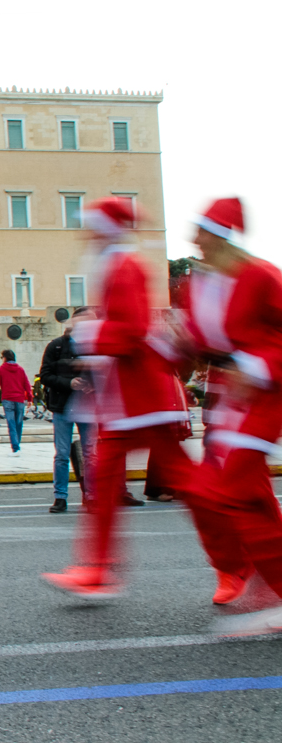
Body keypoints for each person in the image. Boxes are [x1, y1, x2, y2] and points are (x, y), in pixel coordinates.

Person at [41, 198, 232, 601]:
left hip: (140, 398)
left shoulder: (123, 265)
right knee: (109, 485)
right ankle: (97, 570)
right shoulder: (114, 261)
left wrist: (91, 336)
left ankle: (236, 559)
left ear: (107, 227)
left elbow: (132, 330)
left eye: (92, 224)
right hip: (126, 399)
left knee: (188, 487)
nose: (86, 231)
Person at [175, 198, 282, 633]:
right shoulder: (201, 284)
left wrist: (255, 367)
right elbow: (197, 342)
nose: (193, 239)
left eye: (201, 230)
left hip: (265, 395)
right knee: (231, 495)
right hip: (227, 397)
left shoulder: (262, 276)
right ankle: (248, 573)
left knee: (230, 489)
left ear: (221, 235)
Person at [39, 308, 97, 513]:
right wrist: (69, 383)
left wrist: (93, 385)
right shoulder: (56, 346)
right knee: (62, 453)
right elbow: (44, 375)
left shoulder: (94, 346)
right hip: (62, 406)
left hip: (88, 406)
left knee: (90, 453)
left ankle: (90, 495)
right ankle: (60, 497)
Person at [0, 349, 33, 457]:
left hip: (7, 399)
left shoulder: (0, 370)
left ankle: (15, 448)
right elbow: (27, 384)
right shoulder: (21, 370)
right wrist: (30, 398)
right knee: (19, 423)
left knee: (11, 424)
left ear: (4, 358)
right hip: (19, 400)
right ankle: (17, 445)